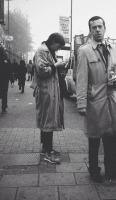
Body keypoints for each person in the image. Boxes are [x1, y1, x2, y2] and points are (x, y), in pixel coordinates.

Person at [76, 16, 116, 183]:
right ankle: (94, 170)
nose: (97, 30)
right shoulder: (84, 51)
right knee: (94, 138)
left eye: (100, 27)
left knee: (112, 137)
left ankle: (111, 170)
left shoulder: (114, 49)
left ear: (105, 28)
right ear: (90, 31)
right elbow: (81, 78)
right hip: (95, 101)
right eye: (94, 27)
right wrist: (81, 104)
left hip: (112, 99)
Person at [33, 32, 67, 164]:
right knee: (48, 122)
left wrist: (58, 66)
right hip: (46, 91)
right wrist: (56, 66)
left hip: (51, 91)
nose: (58, 48)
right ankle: (48, 153)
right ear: (52, 41)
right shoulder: (42, 51)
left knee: (48, 121)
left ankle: (46, 148)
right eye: (58, 46)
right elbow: (41, 70)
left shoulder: (49, 51)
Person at [0, 43, 13, 114]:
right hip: (4, 80)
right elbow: (9, 70)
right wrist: (12, 80)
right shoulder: (6, 59)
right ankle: (4, 108)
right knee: (4, 93)